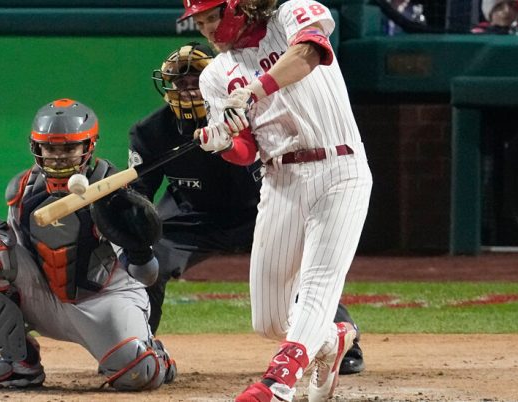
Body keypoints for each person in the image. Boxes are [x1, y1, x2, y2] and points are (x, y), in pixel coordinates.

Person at [129, 41, 365, 375]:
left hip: (260, 209)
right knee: (147, 262)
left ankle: (342, 344)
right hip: (194, 216)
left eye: (196, 80)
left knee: (300, 269)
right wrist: (131, 231)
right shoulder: (150, 133)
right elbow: (139, 195)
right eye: (179, 82)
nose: (187, 89)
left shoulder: (251, 116)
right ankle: (137, 348)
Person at [180, 1, 373, 401]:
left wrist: (253, 90)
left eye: (213, 17)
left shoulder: (291, 14)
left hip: (340, 166)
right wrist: (222, 143)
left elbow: (308, 53)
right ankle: (332, 338)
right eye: (199, 23)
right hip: (280, 180)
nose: (208, 30)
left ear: (237, 7)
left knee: (318, 284)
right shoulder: (215, 76)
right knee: (268, 320)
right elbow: (246, 150)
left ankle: (277, 383)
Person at [0, 98, 176, 392]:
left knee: (138, 376)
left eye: (68, 148)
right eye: (51, 148)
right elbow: (12, 261)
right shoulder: (22, 190)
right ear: (37, 148)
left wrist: (138, 249)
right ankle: (20, 363)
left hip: (105, 298)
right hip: (47, 296)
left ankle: (152, 353)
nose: (58, 157)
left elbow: (147, 276)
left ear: (88, 146)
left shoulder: (114, 191)